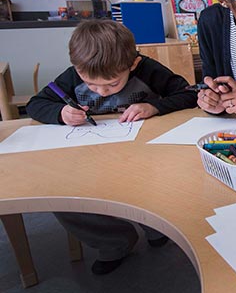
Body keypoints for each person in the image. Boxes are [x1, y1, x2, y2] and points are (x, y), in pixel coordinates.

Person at [26, 19, 198, 275]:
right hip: (89, 157)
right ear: (77, 68)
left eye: (112, 84)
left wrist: (154, 107)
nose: (101, 92)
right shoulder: (73, 74)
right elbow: (36, 104)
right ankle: (115, 241)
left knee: (163, 182)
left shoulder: (148, 69)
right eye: (92, 84)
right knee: (59, 194)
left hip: (144, 154)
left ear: (133, 64)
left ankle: (155, 227)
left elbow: (189, 93)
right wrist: (61, 112)